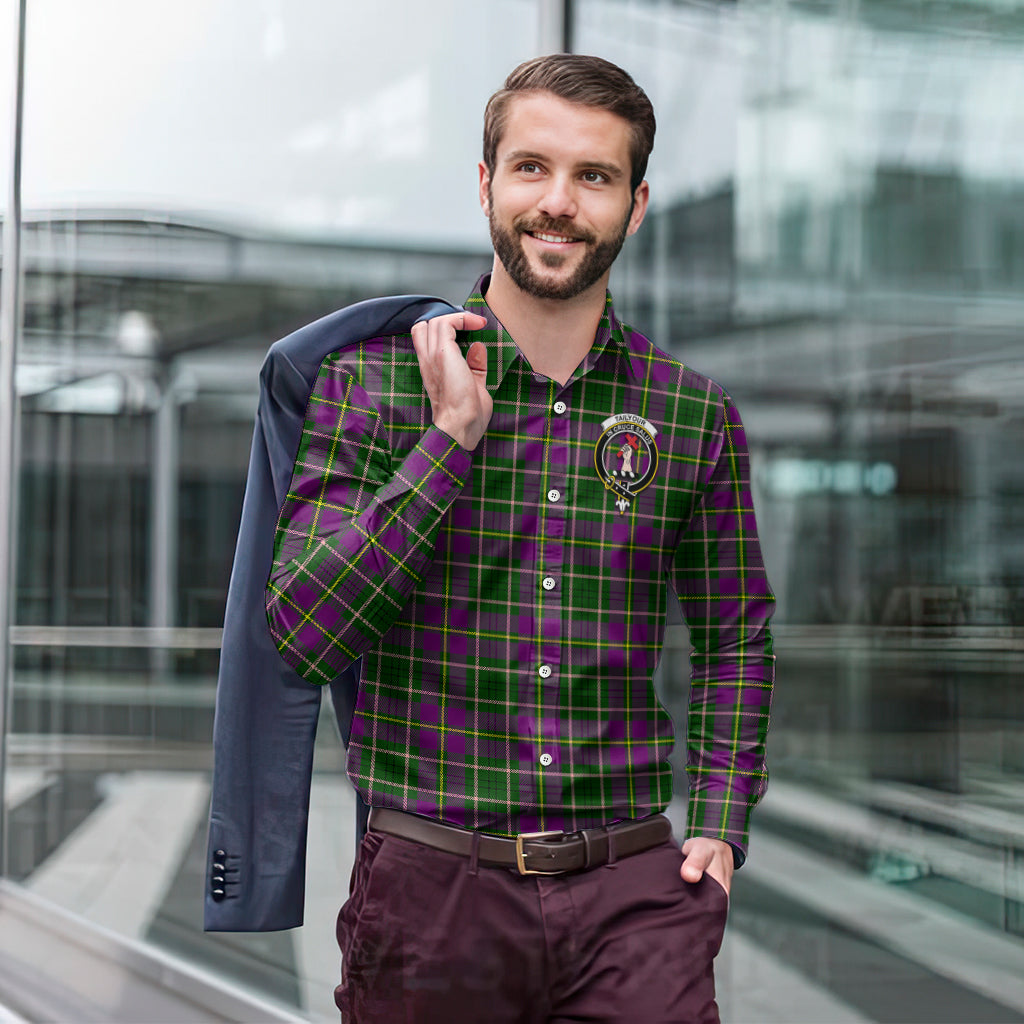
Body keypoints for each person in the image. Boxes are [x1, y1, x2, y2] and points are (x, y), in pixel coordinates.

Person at [266, 53, 775, 1023]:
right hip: (432, 896)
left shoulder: (692, 415)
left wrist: (717, 820)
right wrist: (450, 438)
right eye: (532, 167)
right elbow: (303, 631)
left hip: (633, 897)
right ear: (486, 183)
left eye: (594, 176)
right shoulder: (370, 389)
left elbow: (734, 634)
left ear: (635, 204)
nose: (558, 202)